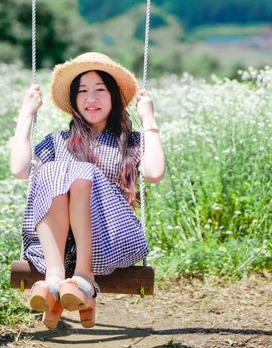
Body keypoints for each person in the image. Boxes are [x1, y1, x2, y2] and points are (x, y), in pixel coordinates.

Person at [10, 51, 165, 329]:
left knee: (81, 171)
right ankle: (56, 278)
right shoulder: (58, 141)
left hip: (110, 241)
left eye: (99, 90)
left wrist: (148, 119)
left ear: (114, 96)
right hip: (54, 249)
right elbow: (20, 170)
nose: (90, 99)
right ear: (73, 99)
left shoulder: (131, 142)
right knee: (54, 169)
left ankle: (84, 274)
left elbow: (153, 174)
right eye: (82, 91)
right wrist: (26, 115)